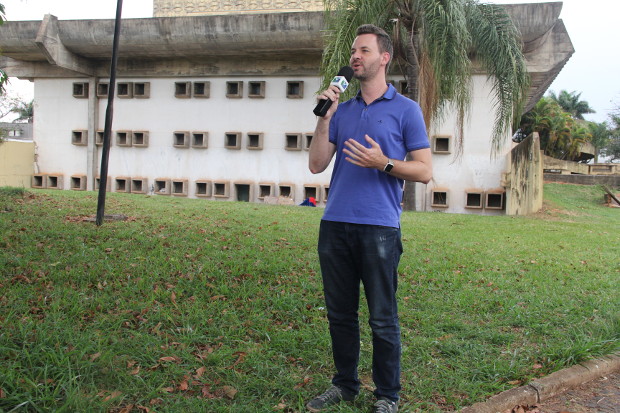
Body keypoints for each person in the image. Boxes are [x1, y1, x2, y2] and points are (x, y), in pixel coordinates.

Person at [306, 24, 433, 413]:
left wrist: (385, 163)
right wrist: (324, 116)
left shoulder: (406, 110)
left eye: (363, 50)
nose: (355, 57)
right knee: (340, 314)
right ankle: (344, 385)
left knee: (382, 317)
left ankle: (387, 395)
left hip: (379, 227)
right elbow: (315, 165)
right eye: (353, 52)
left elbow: (425, 171)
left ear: (384, 58)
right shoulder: (341, 110)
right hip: (335, 224)